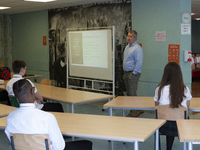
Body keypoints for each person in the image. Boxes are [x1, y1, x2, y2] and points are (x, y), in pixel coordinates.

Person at [5, 79, 93, 150]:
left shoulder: (10, 118)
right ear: (33, 92)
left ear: (16, 97)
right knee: (87, 144)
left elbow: (13, 141)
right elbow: (60, 147)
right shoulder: (47, 118)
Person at [154, 62, 192, 150]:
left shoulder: (159, 89)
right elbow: (187, 107)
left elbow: (156, 107)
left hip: (162, 125)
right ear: (179, 74)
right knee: (181, 118)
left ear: (165, 74)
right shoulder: (185, 89)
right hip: (181, 125)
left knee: (168, 119)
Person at [123, 30, 143, 117]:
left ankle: (133, 113)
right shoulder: (127, 47)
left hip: (132, 74)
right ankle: (138, 109)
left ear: (135, 38)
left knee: (132, 94)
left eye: (131, 36)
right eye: (128, 36)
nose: (128, 38)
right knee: (130, 93)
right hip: (126, 73)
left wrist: (134, 73)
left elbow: (139, 62)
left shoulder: (137, 48)